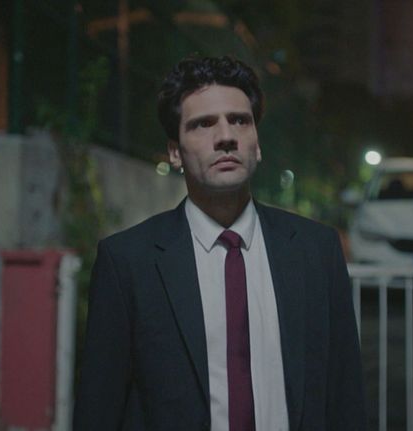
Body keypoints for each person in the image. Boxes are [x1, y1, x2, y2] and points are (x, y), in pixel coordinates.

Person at [73, 56, 366, 431]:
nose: (226, 136)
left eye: (240, 120)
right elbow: (99, 408)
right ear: (175, 152)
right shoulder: (129, 262)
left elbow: (345, 398)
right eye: (203, 123)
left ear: (257, 144)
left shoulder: (317, 251)